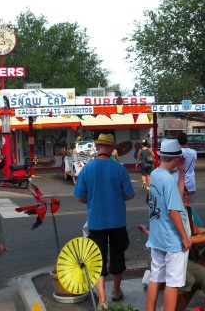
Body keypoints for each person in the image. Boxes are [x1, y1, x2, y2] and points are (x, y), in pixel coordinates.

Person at [73, 133, 135, 311]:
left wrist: (92, 199)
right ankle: (116, 291)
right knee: (118, 255)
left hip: (96, 222)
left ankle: (102, 300)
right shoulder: (119, 169)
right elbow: (129, 194)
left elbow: (80, 197)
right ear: (110, 149)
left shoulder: (87, 169)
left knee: (97, 259)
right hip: (117, 220)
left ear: (98, 147)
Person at [146, 139, 191, 311]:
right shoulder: (168, 181)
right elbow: (174, 211)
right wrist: (185, 237)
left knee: (155, 277)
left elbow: (176, 200)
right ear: (177, 158)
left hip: (157, 236)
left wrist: (181, 173)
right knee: (173, 282)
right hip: (172, 239)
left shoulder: (156, 174)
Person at [173, 132, 197, 205]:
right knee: (190, 208)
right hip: (191, 184)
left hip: (179, 184)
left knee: (179, 208)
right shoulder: (194, 152)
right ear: (187, 140)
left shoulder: (177, 153)